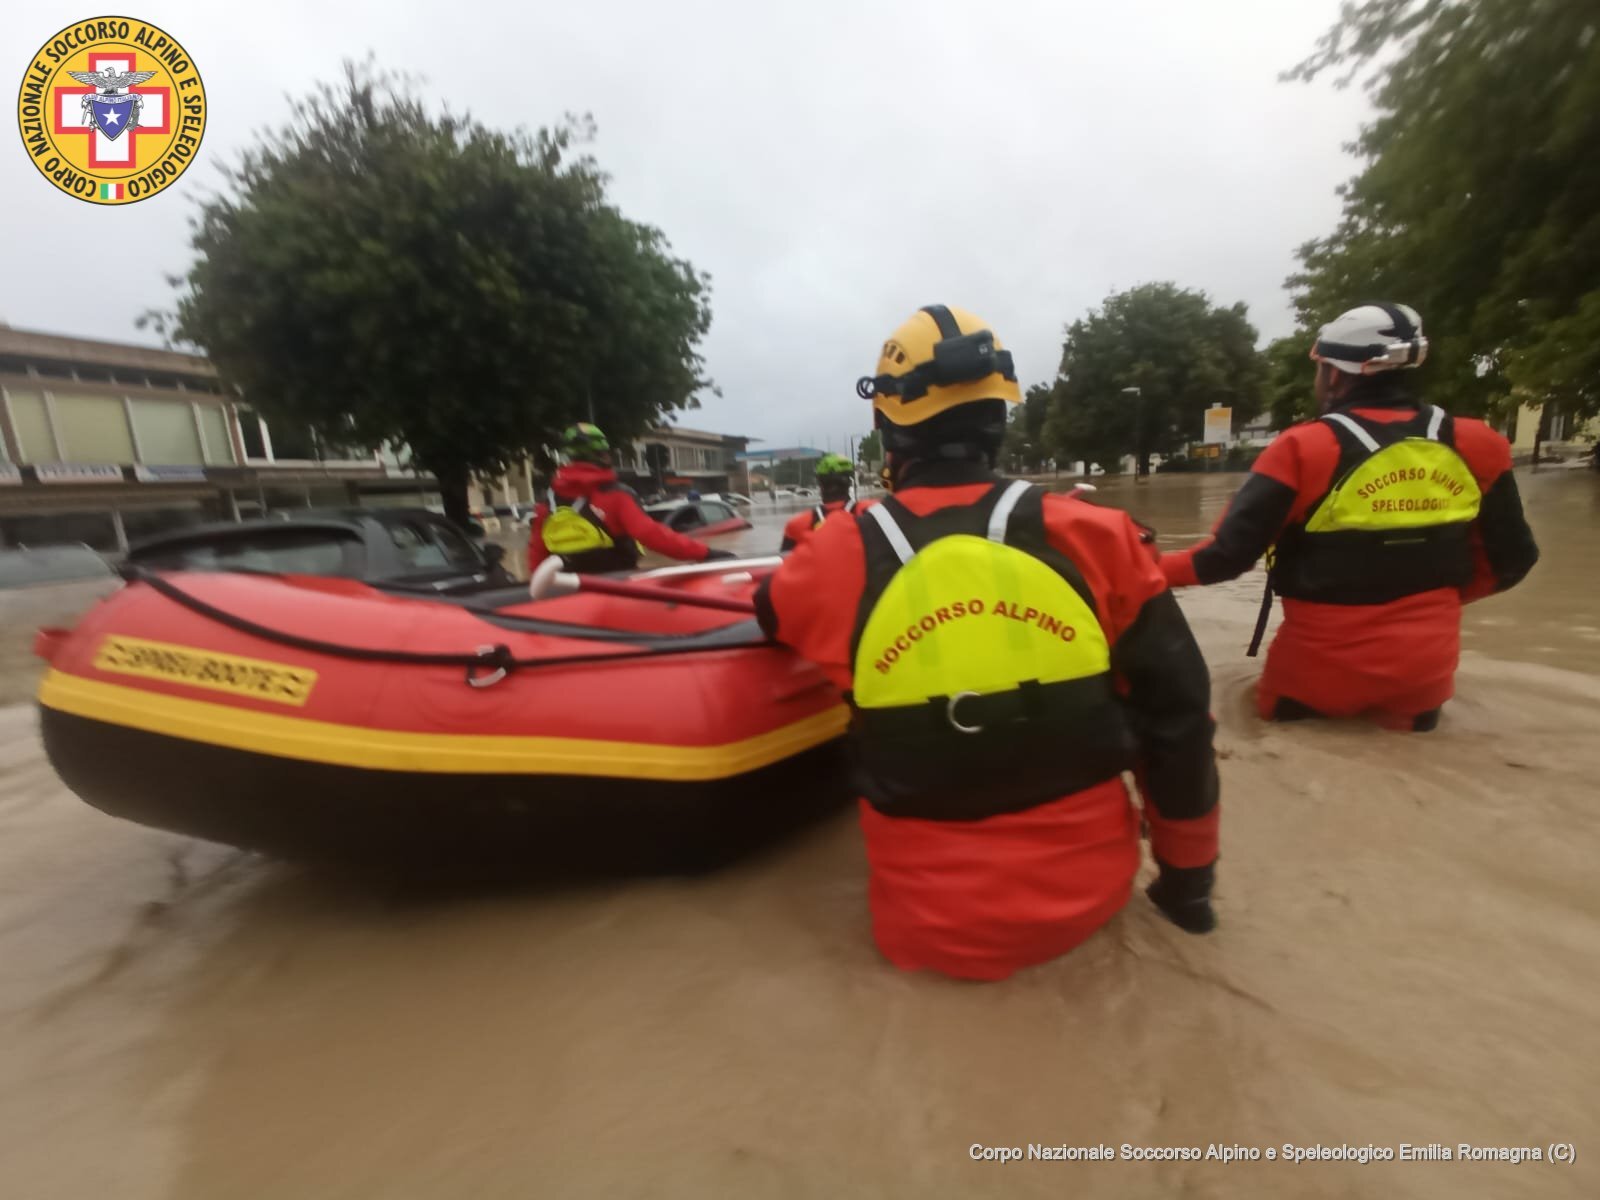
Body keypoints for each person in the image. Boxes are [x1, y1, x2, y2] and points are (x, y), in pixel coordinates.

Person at [755, 305, 1221, 981]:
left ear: (888, 427)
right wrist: (1189, 888)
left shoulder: (831, 556)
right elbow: (1180, 718)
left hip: (924, 938)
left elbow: (769, 614)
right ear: (1000, 417)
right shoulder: (1099, 536)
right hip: (1094, 910)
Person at [1160, 303, 1539, 730]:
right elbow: (1514, 560)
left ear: (1336, 374)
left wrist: (1139, 567)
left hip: (1313, 674)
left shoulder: (1300, 449)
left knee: (1277, 740)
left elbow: (1223, 558)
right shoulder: (1479, 444)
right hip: (1424, 678)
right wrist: (1435, 604)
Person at [527, 423, 735, 574]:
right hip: (618, 587)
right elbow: (652, 535)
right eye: (605, 453)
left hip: (567, 592)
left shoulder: (547, 504)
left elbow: (536, 555)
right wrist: (705, 553)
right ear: (599, 456)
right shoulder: (616, 495)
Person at [778, 453, 868, 552]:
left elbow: (786, 559)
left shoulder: (797, 525)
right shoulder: (870, 514)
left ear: (820, 483)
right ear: (850, 482)